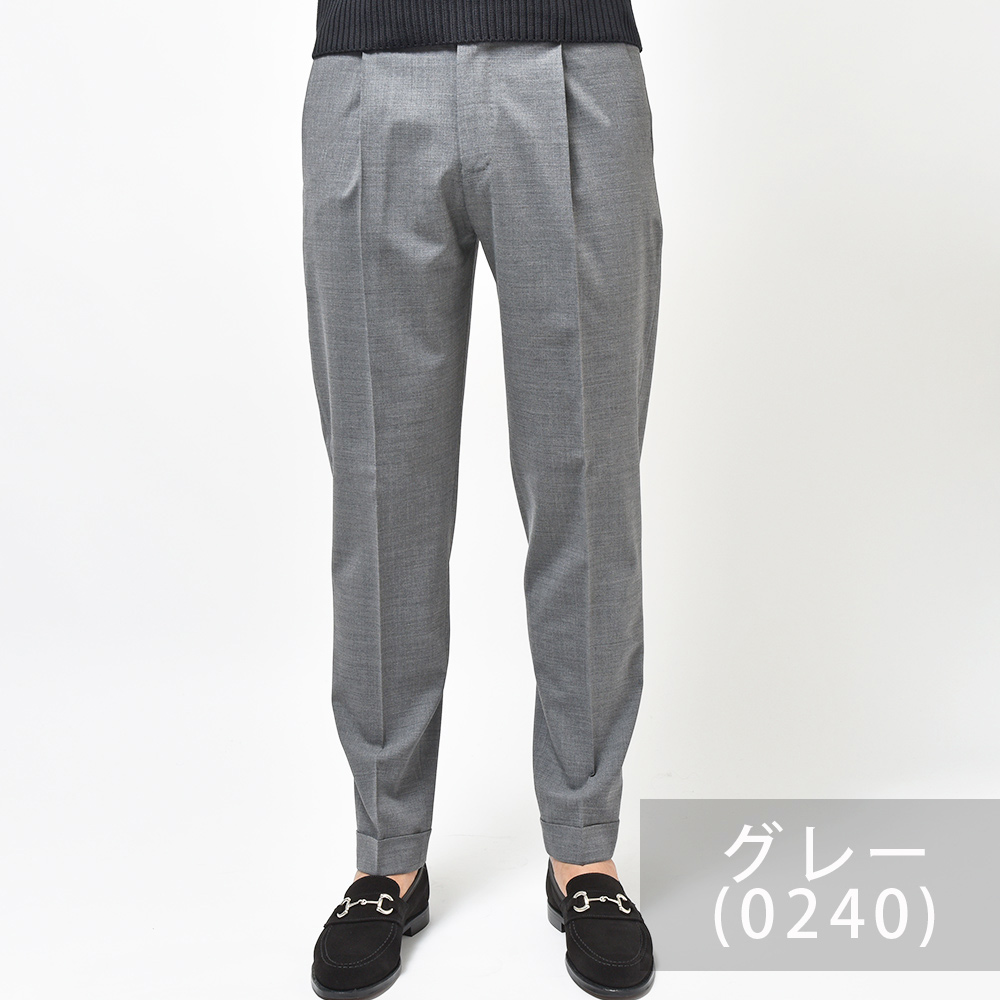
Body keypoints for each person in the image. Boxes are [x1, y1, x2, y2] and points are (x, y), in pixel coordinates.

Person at [301, 2, 662, 997]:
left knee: (586, 487)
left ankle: (584, 848)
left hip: (573, 56)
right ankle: (386, 856)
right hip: (369, 62)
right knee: (380, 498)